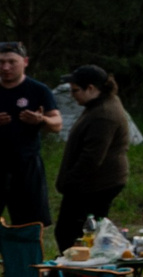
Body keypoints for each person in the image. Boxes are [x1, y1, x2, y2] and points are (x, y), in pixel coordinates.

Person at [52, 66, 131, 249]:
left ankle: (78, 274)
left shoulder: (103, 115)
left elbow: (92, 157)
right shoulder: (97, 105)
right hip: (90, 184)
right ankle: (75, 274)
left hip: (95, 185)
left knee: (72, 233)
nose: (73, 95)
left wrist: (70, 182)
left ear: (91, 88)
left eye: (76, 90)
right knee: (72, 233)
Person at [0, 41, 61, 241]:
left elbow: (57, 123)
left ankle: (29, 267)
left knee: (30, 224)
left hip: (26, 163)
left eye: (12, 62)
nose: (6, 67)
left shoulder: (38, 90)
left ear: (25, 62)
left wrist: (41, 119)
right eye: (1, 62)